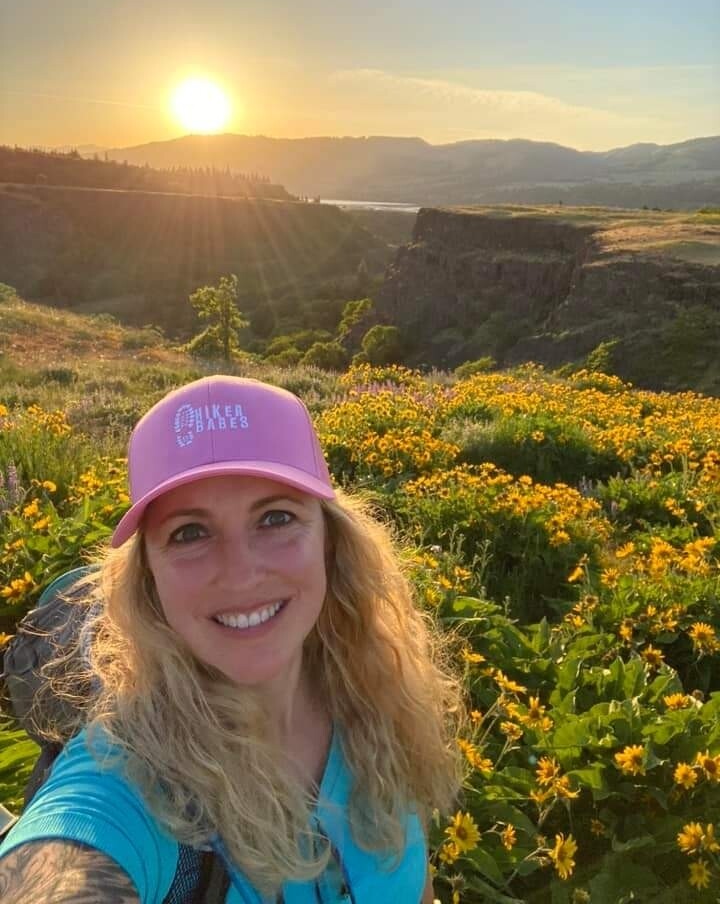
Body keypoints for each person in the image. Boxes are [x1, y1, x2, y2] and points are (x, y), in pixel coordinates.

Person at [0, 375, 463, 903]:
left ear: (331, 542)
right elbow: (65, 859)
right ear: (148, 576)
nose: (241, 576)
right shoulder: (126, 775)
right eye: (190, 533)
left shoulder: (377, 699)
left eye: (276, 518)